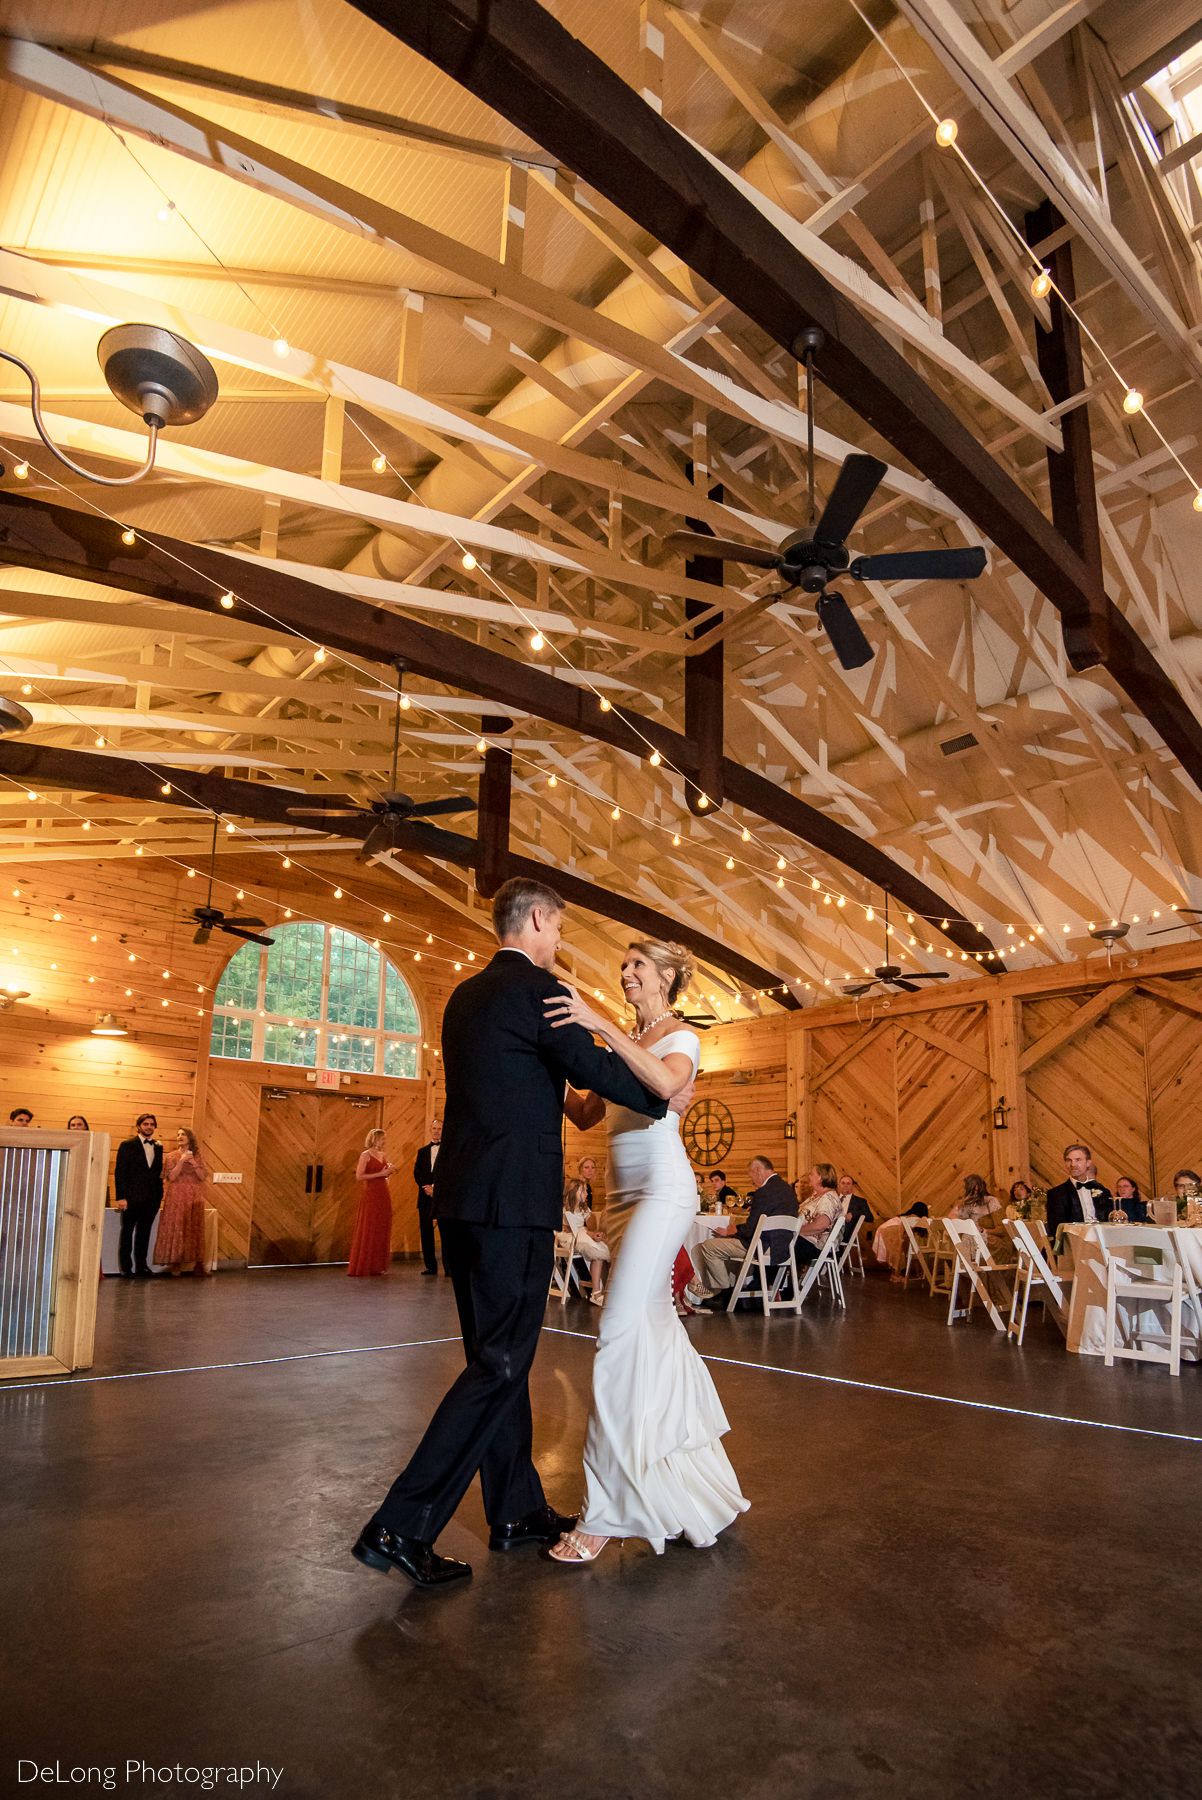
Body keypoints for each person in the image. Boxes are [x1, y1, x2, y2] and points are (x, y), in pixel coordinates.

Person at [352, 877, 668, 1589]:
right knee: (498, 1365)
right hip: (512, 1205)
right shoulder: (538, 992)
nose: (558, 943)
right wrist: (658, 1087)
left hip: (462, 1204)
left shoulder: (464, 999)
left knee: (499, 1361)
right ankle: (400, 1526)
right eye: (556, 928)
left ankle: (517, 1510)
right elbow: (595, 1069)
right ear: (534, 919)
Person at [543, 938, 748, 1564]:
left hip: (663, 1191)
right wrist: (546, 1052)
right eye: (623, 964)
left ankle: (606, 1511)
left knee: (618, 1332)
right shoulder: (623, 1045)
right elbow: (584, 1113)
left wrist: (599, 1021)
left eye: (638, 966)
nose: (627, 972)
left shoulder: (679, 1036)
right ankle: (695, 1489)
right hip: (619, 1198)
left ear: (667, 978)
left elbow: (665, 1083)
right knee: (655, 1332)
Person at [683, 1154, 798, 1307]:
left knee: (708, 1247)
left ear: (758, 1170)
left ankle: (724, 1292)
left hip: (762, 1246)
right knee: (724, 1249)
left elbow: (751, 1228)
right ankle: (734, 1288)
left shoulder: (764, 1192)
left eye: (752, 1175)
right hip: (783, 1247)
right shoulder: (788, 1190)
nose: (753, 1181)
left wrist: (731, 1232)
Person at [113, 1112, 163, 1278]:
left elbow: (156, 1173)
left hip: (151, 1199)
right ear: (139, 1126)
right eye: (146, 1124)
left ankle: (142, 1266)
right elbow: (120, 1172)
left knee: (144, 1233)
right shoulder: (127, 1145)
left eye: (152, 1124)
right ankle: (126, 1268)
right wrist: (121, 1197)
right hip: (131, 1198)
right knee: (127, 1232)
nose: (149, 1127)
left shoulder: (158, 1147)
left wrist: (158, 1196)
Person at [156, 1128, 211, 1276]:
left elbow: (202, 1176)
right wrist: (181, 1161)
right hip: (177, 1196)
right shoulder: (171, 1156)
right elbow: (171, 1177)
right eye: (178, 1134)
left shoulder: (198, 1156)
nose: (180, 1137)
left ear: (190, 1138)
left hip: (194, 1195)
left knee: (194, 1229)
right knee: (177, 1228)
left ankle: (198, 1263)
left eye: (183, 1134)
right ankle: (176, 1264)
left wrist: (193, 1162)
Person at [349, 1128, 395, 1277]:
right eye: (382, 1139)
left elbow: (383, 1174)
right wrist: (380, 1174)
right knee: (369, 1226)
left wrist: (388, 1171)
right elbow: (359, 1176)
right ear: (374, 1139)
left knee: (381, 1226)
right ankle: (364, 1264)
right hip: (371, 1193)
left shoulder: (382, 1155)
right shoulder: (365, 1155)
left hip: (383, 1192)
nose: (384, 1141)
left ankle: (377, 1265)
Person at [557, 1176, 610, 1305]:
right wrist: (588, 1233)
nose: (587, 1193)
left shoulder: (583, 1209)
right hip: (569, 1238)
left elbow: (589, 1226)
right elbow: (568, 1229)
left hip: (582, 1234)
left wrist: (594, 1233)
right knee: (592, 1246)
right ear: (575, 1192)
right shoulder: (564, 1209)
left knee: (598, 1251)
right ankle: (596, 1292)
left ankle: (596, 1291)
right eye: (584, 1190)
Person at [1045, 1144, 1112, 1235]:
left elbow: (1111, 1222)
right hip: (1075, 1242)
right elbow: (1056, 1229)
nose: (1073, 1164)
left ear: (1088, 1163)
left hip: (1103, 1239)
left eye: (1078, 1160)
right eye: (1069, 1160)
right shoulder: (1056, 1194)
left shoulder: (1103, 1192)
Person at [412, 1119, 446, 1277]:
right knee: (426, 1232)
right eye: (434, 1128)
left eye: (439, 1128)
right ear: (430, 1130)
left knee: (446, 1232)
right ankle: (430, 1267)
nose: (437, 1131)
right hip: (425, 1196)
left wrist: (437, 1189)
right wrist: (427, 1188)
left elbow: (451, 1174)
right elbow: (417, 1173)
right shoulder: (422, 1151)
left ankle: (449, 1267)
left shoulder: (448, 1151)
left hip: (443, 1197)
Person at [794, 1164, 844, 1266]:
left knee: (778, 1244)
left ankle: (768, 1279)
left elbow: (821, 1225)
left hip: (816, 1246)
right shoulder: (817, 1196)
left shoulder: (828, 1198)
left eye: (812, 1174)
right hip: (808, 1241)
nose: (809, 1177)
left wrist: (796, 1231)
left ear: (820, 1178)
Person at [836, 1173, 873, 1245]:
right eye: (843, 1183)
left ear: (852, 1186)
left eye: (848, 1183)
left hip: (843, 1233)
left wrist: (853, 1214)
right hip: (828, 1230)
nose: (845, 1186)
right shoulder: (833, 1199)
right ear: (839, 1185)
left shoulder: (859, 1201)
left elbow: (870, 1217)